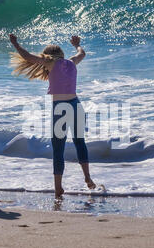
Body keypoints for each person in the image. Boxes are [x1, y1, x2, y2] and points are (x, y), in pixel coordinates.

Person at [9, 33, 96, 199]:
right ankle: (87, 177)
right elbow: (82, 54)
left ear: (48, 56)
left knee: (58, 149)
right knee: (80, 143)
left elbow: (27, 56)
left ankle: (58, 189)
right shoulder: (71, 62)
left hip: (60, 109)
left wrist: (16, 44)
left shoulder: (50, 62)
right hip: (76, 105)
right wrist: (77, 44)